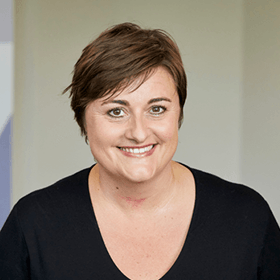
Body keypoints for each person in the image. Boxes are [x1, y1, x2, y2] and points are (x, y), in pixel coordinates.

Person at [0, 22, 280, 280]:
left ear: (178, 113)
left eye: (156, 109)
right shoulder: (33, 225)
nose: (139, 132)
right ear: (82, 118)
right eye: (116, 111)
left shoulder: (247, 219)